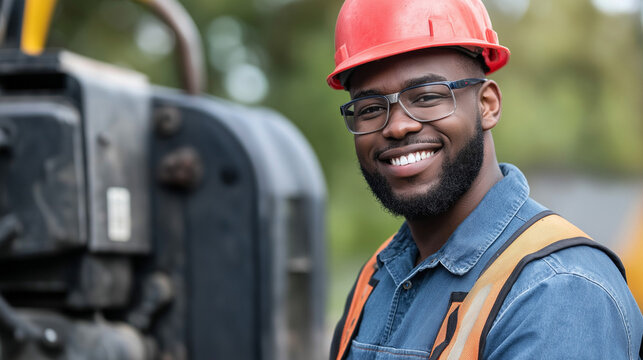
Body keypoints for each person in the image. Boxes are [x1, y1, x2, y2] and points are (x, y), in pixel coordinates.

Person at [326, 0, 643, 359]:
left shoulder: (557, 289)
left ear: (487, 104)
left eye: (428, 97)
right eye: (369, 108)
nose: (398, 126)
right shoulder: (378, 276)